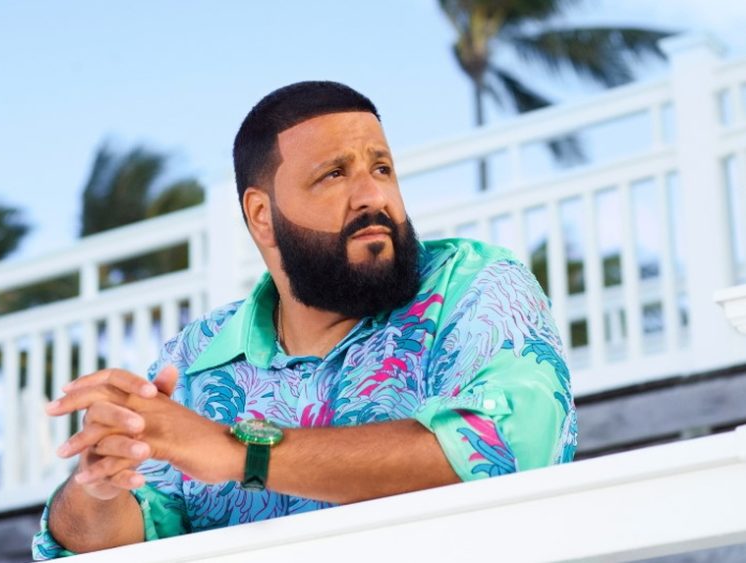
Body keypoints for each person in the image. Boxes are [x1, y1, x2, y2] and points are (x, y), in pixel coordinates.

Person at [33, 81, 577, 559]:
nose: (373, 196)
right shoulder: (196, 356)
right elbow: (119, 538)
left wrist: (239, 449)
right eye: (334, 174)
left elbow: (505, 448)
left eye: (382, 168)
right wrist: (97, 486)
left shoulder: (473, 284)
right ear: (262, 216)